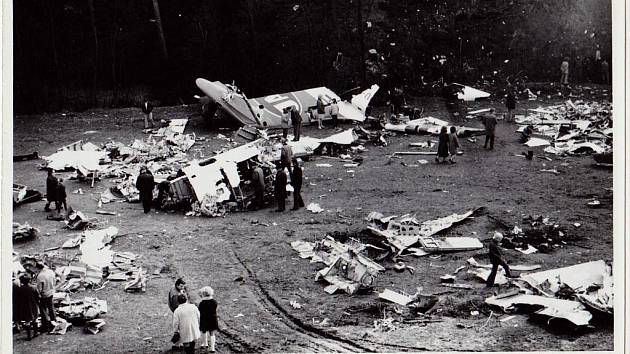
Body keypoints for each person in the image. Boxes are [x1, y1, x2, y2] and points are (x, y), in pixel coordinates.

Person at [13, 274, 40, 340]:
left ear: (21, 281)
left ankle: (29, 336)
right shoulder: (34, 288)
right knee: (35, 319)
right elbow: (38, 297)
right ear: (29, 280)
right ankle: (35, 333)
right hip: (33, 305)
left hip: (25, 307)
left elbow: (17, 299)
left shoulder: (20, 289)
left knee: (27, 321)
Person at [35, 262, 56, 332]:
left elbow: (39, 289)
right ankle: (54, 321)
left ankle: (46, 325)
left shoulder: (40, 276)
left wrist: (38, 295)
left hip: (44, 295)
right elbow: (55, 281)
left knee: (43, 310)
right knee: (51, 307)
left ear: (38, 268)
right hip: (51, 292)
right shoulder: (50, 272)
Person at [198, 286, 219, 353]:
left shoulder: (202, 303)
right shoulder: (214, 302)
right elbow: (215, 309)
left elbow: (200, 311)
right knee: (212, 333)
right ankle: (212, 348)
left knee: (204, 332)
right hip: (212, 319)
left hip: (204, 319)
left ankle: (205, 344)